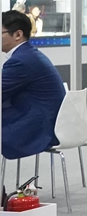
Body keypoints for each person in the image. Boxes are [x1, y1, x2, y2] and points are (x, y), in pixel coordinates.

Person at [1, 10, 65, 160]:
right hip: (49, 119)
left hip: (40, 126)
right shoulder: (28, 54)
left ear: (17, 34)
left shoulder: (21, 61)